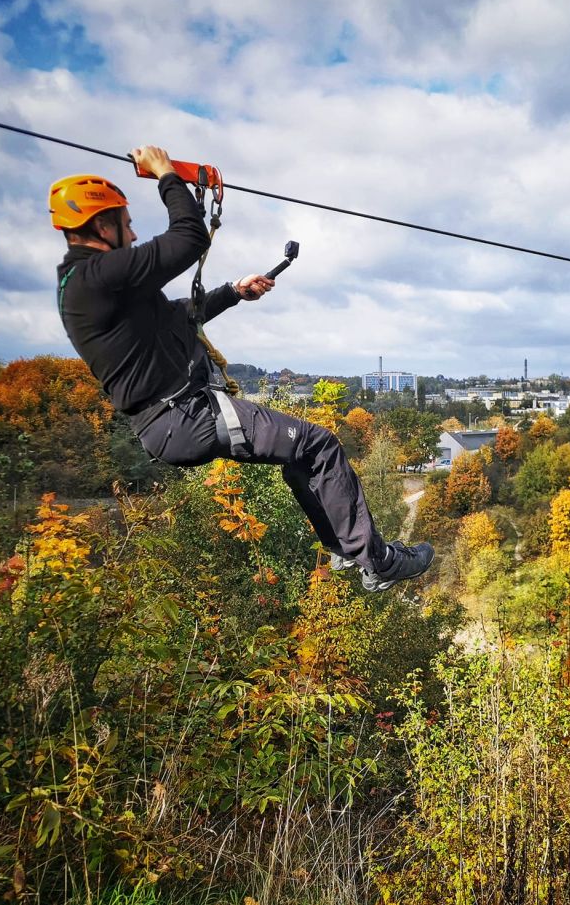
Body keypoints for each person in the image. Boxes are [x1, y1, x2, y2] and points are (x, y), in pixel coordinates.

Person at [50, 145, 433, 590]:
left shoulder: (93, 288)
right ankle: (378, 560)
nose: (133, 236)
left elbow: (177, 319)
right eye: (128, 224)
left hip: (175, 421)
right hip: (184, 416)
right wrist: (166, 175)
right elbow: (189, 237)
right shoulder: (95, 278)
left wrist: (234, 291)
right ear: (102, 224)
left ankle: (352, 552)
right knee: (320, 445)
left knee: (305, 455)